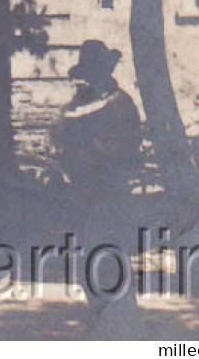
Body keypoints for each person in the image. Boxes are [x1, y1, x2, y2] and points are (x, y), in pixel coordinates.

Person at [55, 39, 144, 335]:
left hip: (111, 193)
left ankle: (121, 326)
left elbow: (127, 148)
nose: (89, 78)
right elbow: (58, 139)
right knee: (87, 258)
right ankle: (98, 319)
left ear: (105, 71)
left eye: (95, 71)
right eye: (88, 73)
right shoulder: (74, 106)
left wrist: (90, 155)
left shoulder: (120, 104)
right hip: (82, 195)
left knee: (113, 256)